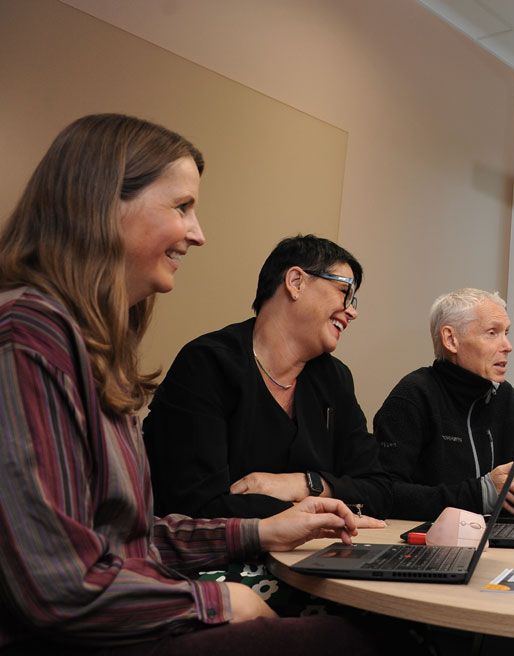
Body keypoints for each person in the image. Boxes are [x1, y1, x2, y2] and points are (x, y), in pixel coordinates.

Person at [0, 114, 390, 654]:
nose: (198, 233)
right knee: (361, 640)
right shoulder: (30, 339)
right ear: (102, 203)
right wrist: (220, 602)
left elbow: (130, 540)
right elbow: (56, 586)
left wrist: (261, 530)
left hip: (119, 604)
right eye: (181, 207)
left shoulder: (84, 350)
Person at [144, 235, 392, 521]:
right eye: (343, 292)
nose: (352, 311)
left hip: (315, 557)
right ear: (296, 282)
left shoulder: (335, 378)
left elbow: (379, 492)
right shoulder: (208, 364)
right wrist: (321, 511)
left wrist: (304, 484)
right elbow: (196, 506)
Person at [374, 288, 514, 521]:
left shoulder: (509, 400)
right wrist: (481, 494)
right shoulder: (414, 395)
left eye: (506, 333)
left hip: (497, 541)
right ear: (451, 339)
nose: (507, 345)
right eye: (492, 333)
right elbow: (382, 494)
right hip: (428, 545)